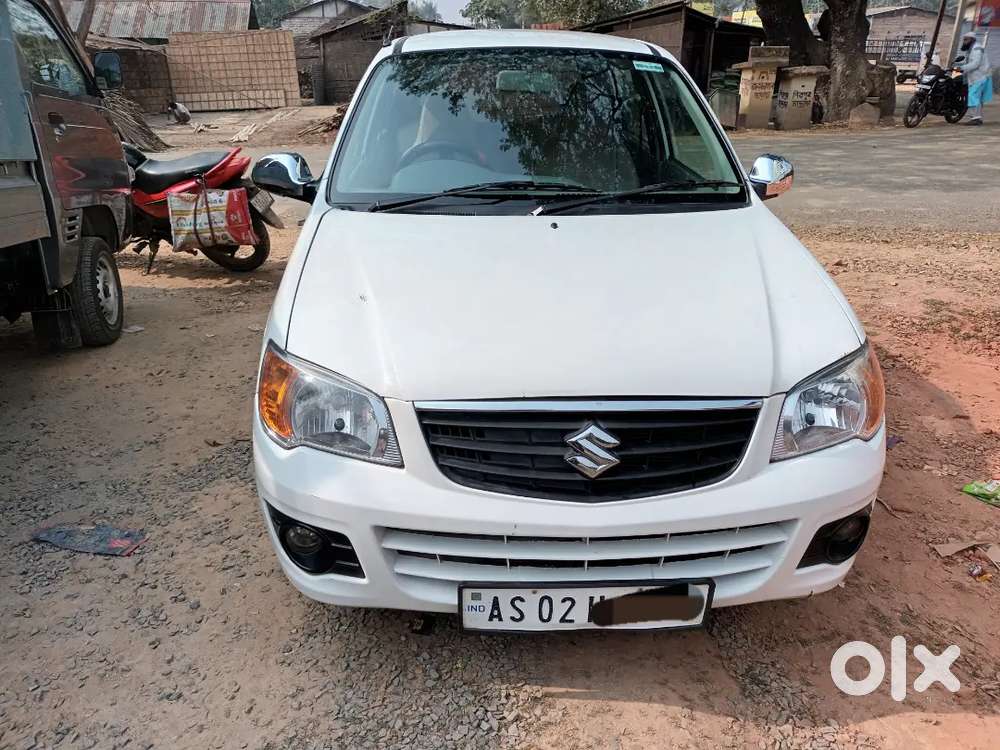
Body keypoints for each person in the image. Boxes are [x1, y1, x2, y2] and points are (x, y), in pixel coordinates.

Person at [955, 32, 992, 126]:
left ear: (972, 40)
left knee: (973, 96)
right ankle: (976, 117)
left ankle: (976, 118)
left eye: (966, 39)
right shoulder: (972, 49)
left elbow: (975, 64)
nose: (964, 42)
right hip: (977, 77)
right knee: (976, 98)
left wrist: (962, 68)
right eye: (964, 39)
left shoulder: (976, 49)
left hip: (979, 77)